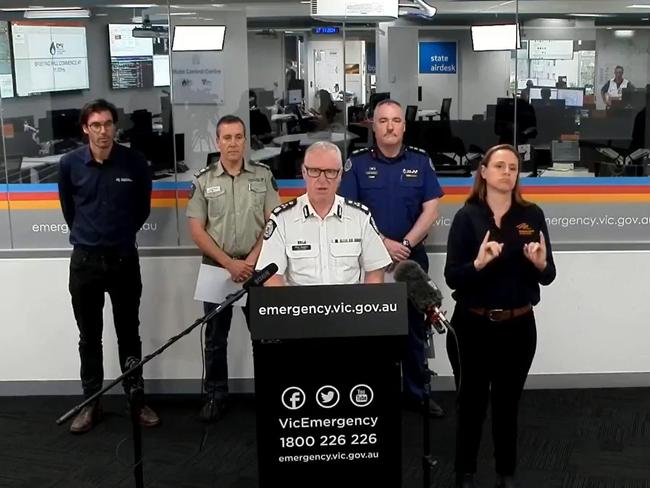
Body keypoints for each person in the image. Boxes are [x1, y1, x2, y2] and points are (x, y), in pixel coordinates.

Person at [443, 144, 556, 488]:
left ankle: (505, 474)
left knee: (508, 406)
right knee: (471, 406)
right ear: (484, 172)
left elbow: (548, 275)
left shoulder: (532, 215)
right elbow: (452, 276)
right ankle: (465, 473)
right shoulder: (467, 216)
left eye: (513, 167)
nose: (507, 173)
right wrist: (478, 264)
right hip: (472, 327)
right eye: (500, 166)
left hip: (518, 327)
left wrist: (540, 264)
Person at [58, 99, 160, 434]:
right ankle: (91, 403)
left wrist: (118, 235)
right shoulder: (70, 165)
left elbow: (141, 210)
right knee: (90, 337)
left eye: (108, 124)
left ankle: (136, 400)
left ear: (116, 127)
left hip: (123, 260)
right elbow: (69, 211)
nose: (103, 131)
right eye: (96, 125)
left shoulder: (134, 163)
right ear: (86, 128)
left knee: (129, 333)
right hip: (85, 262)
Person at [338, 99, 446, 417]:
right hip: (370, 261)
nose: (389, 127)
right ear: (374, 125)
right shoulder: (356, 163)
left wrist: (407, 243)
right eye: (382, 121)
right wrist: (384, 243)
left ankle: (418, 394)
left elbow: (431, 209)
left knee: (415, 329)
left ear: (404, 126)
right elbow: (349, 212)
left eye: (395, 120)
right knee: (371, 329)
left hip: (411, 260)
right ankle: (371, 396)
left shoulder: (421, 161)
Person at [186, 114, 281, 422]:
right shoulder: (203, 181)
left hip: (256, 268)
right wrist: (229, 263)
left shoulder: (263, 176)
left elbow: (272, 221)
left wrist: (250, 261)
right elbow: (197, 229)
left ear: (245, 140)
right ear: (218, 142)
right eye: (226, 138)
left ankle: (270, 393)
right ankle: (216, 395)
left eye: (238, 137)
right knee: (215, 338)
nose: (233, 143)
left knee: (265, 336)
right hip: (218, 268)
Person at [256, 141, 391, 286]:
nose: (322, 180)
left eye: (330, 172)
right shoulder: (282, 219)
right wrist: (289, 308)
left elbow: (375, 271)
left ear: (340, 175)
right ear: (303, 172)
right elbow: (272, 278)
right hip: (299, 306)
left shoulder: (360, 217)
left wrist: (364, 307)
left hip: (349, 306)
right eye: (314, 171)